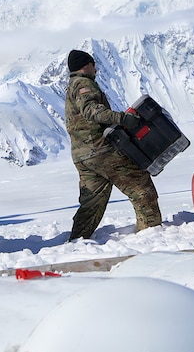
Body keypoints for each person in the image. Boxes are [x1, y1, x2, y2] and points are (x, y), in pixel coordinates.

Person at [64, 49, 162, 241]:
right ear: (87, 65)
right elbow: (92, 111)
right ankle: (152, 236)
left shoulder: (72, 86)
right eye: (94, 65)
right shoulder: (84, 84)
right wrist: (124, 119)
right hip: (101, 151)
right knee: (142, 189)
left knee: (92, 204)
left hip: (82, 156)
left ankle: (76, 243)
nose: (96, 69)